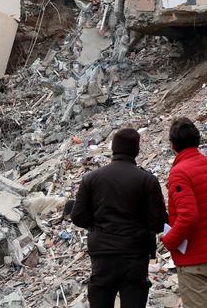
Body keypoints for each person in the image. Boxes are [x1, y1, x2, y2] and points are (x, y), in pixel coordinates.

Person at [71, 128, 167, 308]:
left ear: (113, 149)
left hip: (103, 256)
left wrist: (98, 225)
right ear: (136, 150)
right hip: (135, 256)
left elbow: (78, 217)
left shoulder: (91, 179)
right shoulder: (147, 180)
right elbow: (158, 222)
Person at [161, 117, 207, 308]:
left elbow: (188, 216)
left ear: (173, 145)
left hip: (194, 259)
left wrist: (169, 240)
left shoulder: (180, 172)